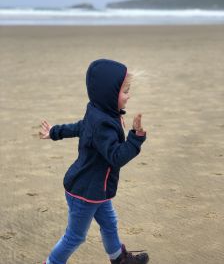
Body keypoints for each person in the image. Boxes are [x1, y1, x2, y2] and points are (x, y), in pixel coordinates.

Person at [39, 59, 149, 264]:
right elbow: (116, 156)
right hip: (85, 193)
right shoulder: (103, 123)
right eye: (125, 91)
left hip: (97, 188)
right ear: (109, 93)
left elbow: (80, 127)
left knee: (109, 224)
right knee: (75, 237)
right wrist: (135, 138)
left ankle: (118, 259)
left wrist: (55, 132)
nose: (129, 95)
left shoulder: (99, 111)